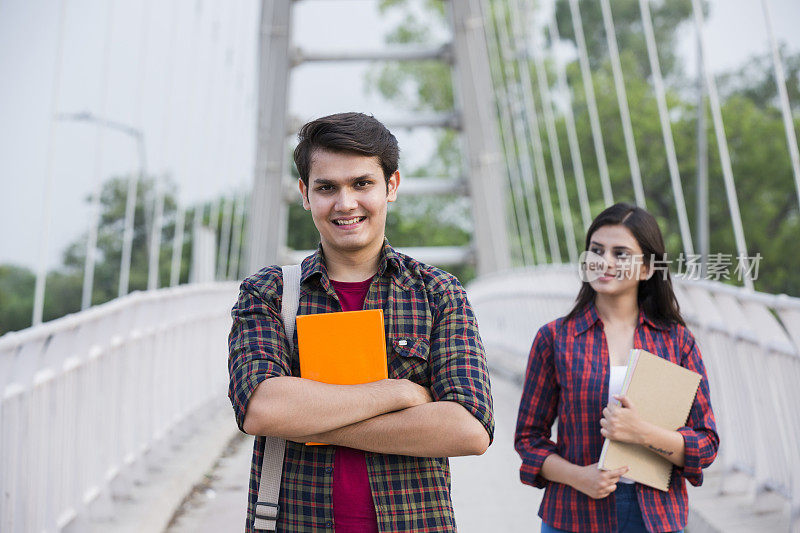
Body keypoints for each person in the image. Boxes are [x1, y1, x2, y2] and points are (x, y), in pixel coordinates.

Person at [228, 112, 494, 533]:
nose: (345, 203)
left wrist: (311, 421)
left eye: (362, 184)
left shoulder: (437, 293)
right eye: (327, 187)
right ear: (304, 193)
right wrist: (399, 392)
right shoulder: (269, 294)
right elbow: (262, 409)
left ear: (392, 186)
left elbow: (469, 429)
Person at [514, 203, 719, 533]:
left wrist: (642, 433)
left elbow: (706, 443)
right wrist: (579, 477)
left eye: (620, 253)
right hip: (573, 514)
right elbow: (529, 438)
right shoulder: (554, 339)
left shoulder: (677, 342)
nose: (604, 262)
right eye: (597, 250)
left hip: (656, 518)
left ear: (647, 269)